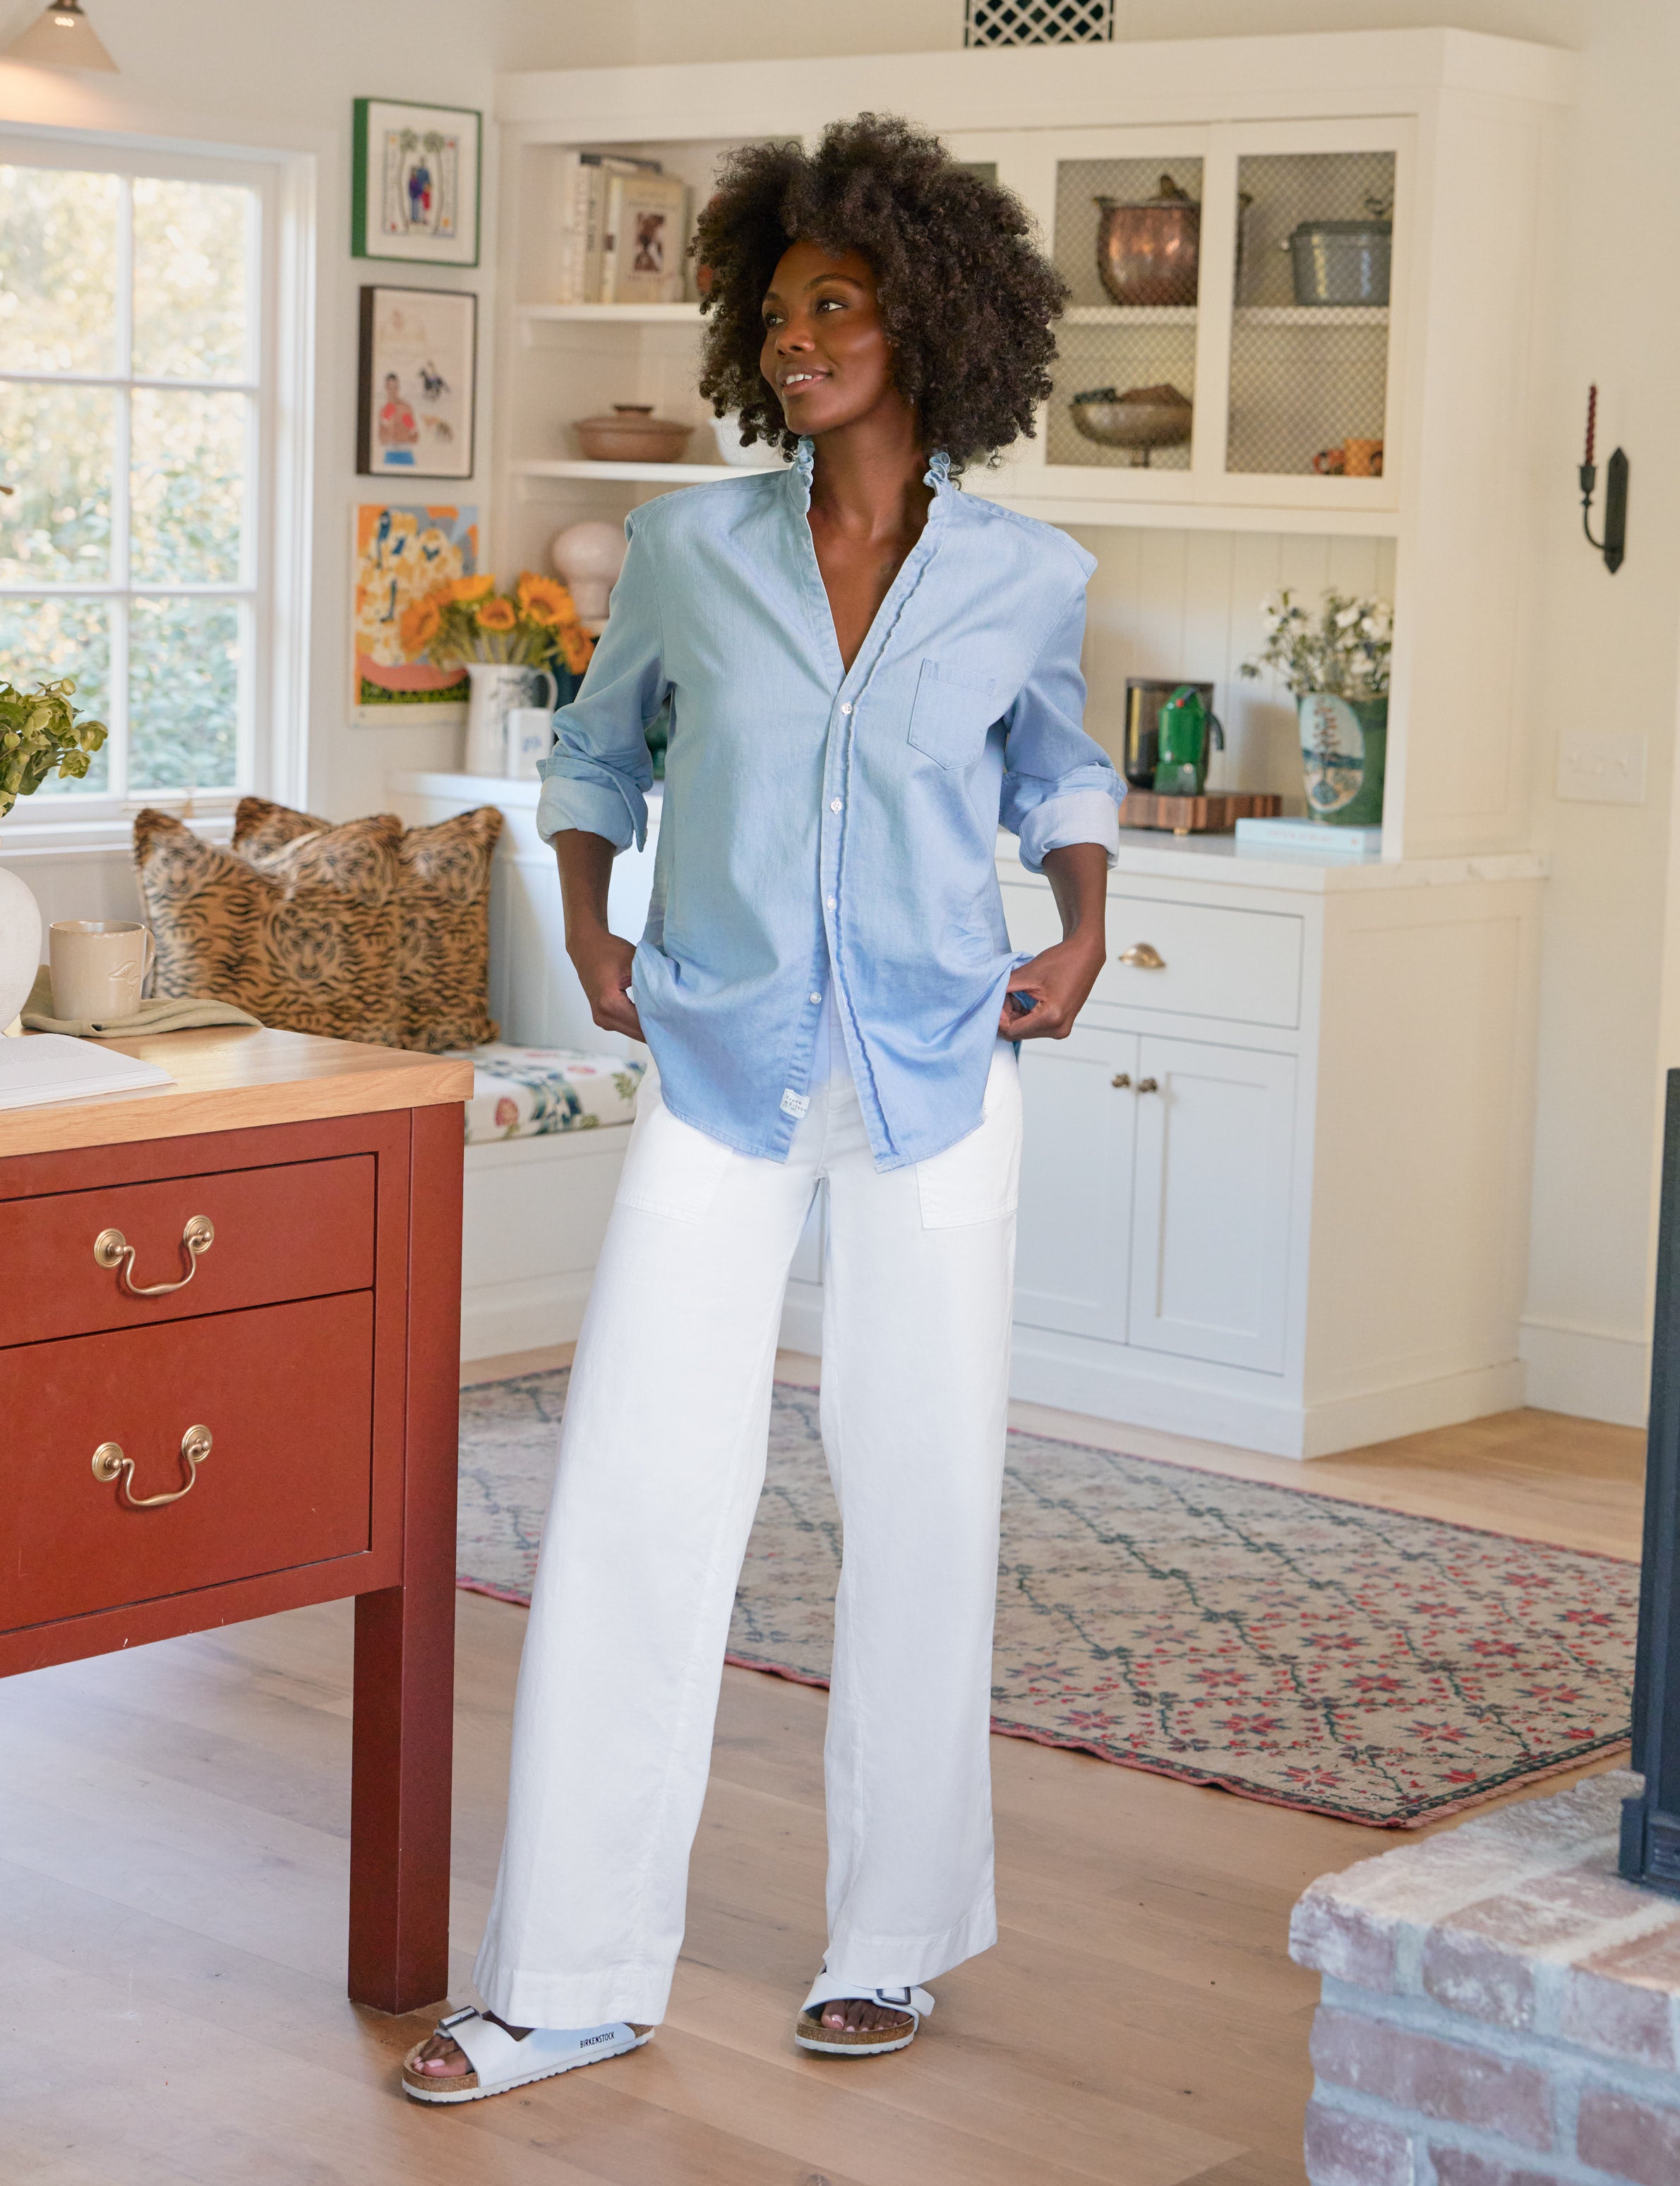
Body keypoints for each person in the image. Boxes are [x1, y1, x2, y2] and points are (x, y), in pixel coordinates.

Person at [402, 112, 1122, 2106]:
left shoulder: (1022, 571)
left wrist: (1079, 933)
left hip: (934, 1068)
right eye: (777, 305)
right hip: (721, 1060)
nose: (798, 337)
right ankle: (565, 1977)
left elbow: (1056, 776)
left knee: (920, 1502)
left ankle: (889, 1945)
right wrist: (583, 927)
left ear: (930, 322)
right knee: (637, 1492)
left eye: (839, 303)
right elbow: (595, 751)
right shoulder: (685, 548)